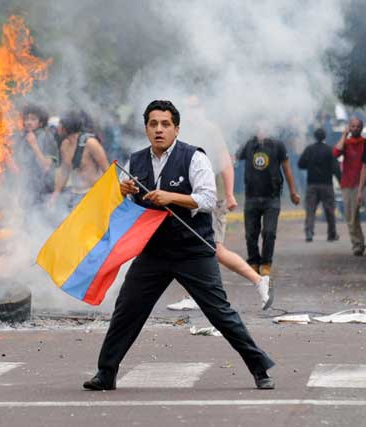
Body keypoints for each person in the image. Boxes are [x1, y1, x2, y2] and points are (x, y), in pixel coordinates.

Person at [83, 100, 275, 392]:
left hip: (192, 250)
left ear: (176, 128)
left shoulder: (194, 157)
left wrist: (171, 197)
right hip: (153, 252)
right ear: (146, 128)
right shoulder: (135, 161)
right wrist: (123, 191)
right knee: (127, 310)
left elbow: (208, 199)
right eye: (153, 124)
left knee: (219, 312)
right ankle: (105, 373)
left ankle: (259, 367)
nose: (159, 130)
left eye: (165, 124)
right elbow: (121, 204)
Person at [167, 98, 272, 311]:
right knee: (196, 246)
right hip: (197, 199)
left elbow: (225, 163)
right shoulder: (190, 131)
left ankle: (259, 281)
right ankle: (193, 295)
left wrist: (231, 195)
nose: (190, 111)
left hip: (213, 199)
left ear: (202, 109)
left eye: (195, 106)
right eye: (187, 107)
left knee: (215, 249)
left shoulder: (209, 130)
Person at [236, 122, 301, 276]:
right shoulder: (249, 145)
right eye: (259, 128)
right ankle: (253, 261)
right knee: (251, 233)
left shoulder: (278, 145)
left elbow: (287, 169)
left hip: (272, 197)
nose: (261, 131)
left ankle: (266, 263)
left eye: (265, 127)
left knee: (269, 232)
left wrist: (293, 192)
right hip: (251, 196)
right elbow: (235, 157)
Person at [50, 111, 110, 209]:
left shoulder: (91, 143)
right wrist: (56, 193)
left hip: (93, 194)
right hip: (75, 194)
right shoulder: (65, 145)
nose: (57, 128)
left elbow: (107, 170)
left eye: (59, 125)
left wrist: (108, 196)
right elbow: (64, 171)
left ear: (64, 128)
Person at [298, 128, 341, 242]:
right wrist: (341, 182)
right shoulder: (329, 150)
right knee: (329, 210)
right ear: (325, 137)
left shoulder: (309, 149)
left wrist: (310, 166)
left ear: (315, 136)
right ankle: (332, 234)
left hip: (312, 184)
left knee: (310, 210)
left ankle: (309, 232)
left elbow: (301, 164)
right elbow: (336, 168)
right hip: (326, 184)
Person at [12, 104, 59, 205]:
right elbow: (18, 168)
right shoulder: (23, 137)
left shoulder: (47, 137)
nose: (28, 122)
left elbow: (47, 166)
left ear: (41, 122)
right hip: (27, 190)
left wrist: (34, 145)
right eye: (26, 119)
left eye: (33, 119)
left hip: (44, 189)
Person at [333, 117, 365, 256]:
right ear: (349, 127)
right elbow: (335, 153)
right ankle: (358, 245)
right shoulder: (345, 142)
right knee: (351, 217)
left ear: (362, 128)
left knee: (356, 214)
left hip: (363, 184)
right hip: (348, 184)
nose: (355, 128)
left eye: (358, 126)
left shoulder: (364, 143)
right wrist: (344, 134)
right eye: (352, 126)